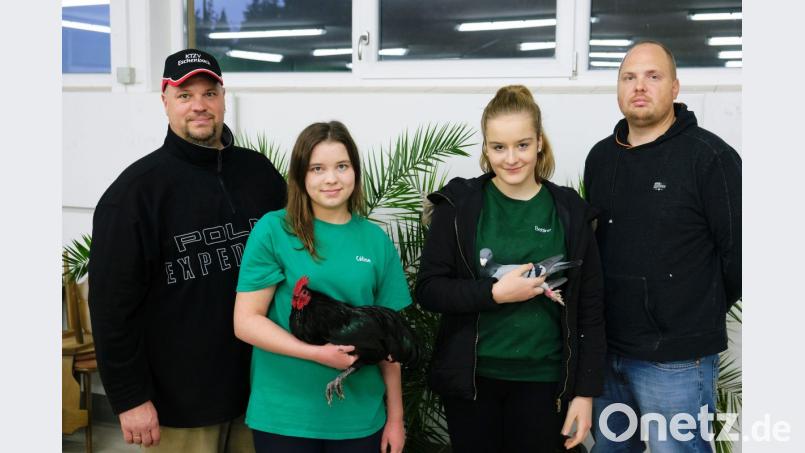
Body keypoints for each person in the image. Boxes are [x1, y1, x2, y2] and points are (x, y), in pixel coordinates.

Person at [88, 48, 287, 451]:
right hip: (180, 407)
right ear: (165, 102)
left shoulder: (259, 174)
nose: (199, 105)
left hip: (262, 391)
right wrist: (130, 399)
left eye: (209, 93)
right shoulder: (134, 194)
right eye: (184, 95)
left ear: (223, 99)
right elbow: (111, 309)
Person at [415, 85, 606, 452]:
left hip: (544, 383)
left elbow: (591, 309)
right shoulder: (457, 205)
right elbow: (429, 289)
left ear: (539, 143)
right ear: (485, 148)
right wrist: (494, 294)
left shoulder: (569, 211)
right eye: (498, 147)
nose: (511, 158)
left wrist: (584, 394)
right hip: (472, 383)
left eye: (522, 144)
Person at [584, 41, 742, 452]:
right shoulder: (600, 158)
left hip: (676, 360)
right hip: (607, 352)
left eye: (653, 76)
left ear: (675, 87)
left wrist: (690, 308)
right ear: (618, 88)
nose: (640, 86)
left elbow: (740, 255)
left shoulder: (711, 158)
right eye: (629, 77)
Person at [232, 121, 410, 453]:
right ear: (301, 176)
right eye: (318, 168)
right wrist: (316, 353)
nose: (331, 179)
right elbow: (246, 322)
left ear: (355, 171)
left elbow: (391, 340)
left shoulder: (375, 241)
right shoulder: (274, 230)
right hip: (284, 414)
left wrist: (396, 419)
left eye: (341, 166)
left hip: (359, 417)